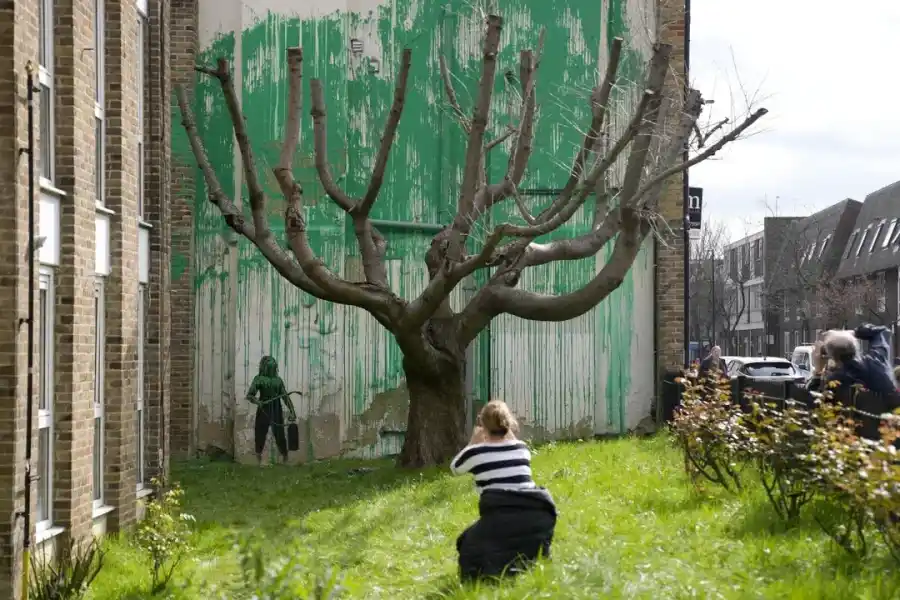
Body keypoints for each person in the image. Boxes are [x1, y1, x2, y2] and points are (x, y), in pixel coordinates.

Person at [450, 400, 557, 583]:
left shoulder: (475, 453)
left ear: (482, 425)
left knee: (466, 545)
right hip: (537, 518)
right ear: (508, 423)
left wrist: (473, 442)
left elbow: (455, 468)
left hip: (502, 517)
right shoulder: (522, 449)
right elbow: (510, 444)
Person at [245, 356, 296, 466]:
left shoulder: (278, 381)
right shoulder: (258, 379)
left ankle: (285, 457)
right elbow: (250, 395)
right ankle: (258, 459)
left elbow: (285, 397)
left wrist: (292, 411)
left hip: (276, 408)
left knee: (279, 434)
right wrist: (258, 402)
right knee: (260, 433)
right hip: (264, 408)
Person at [822, 324, 898, 395]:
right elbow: (882, 331)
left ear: (832, 357)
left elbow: (815, 402)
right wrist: (855, 332)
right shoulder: (876, 360)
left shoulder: (835, 381)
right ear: (855, 347)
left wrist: (818, 373)